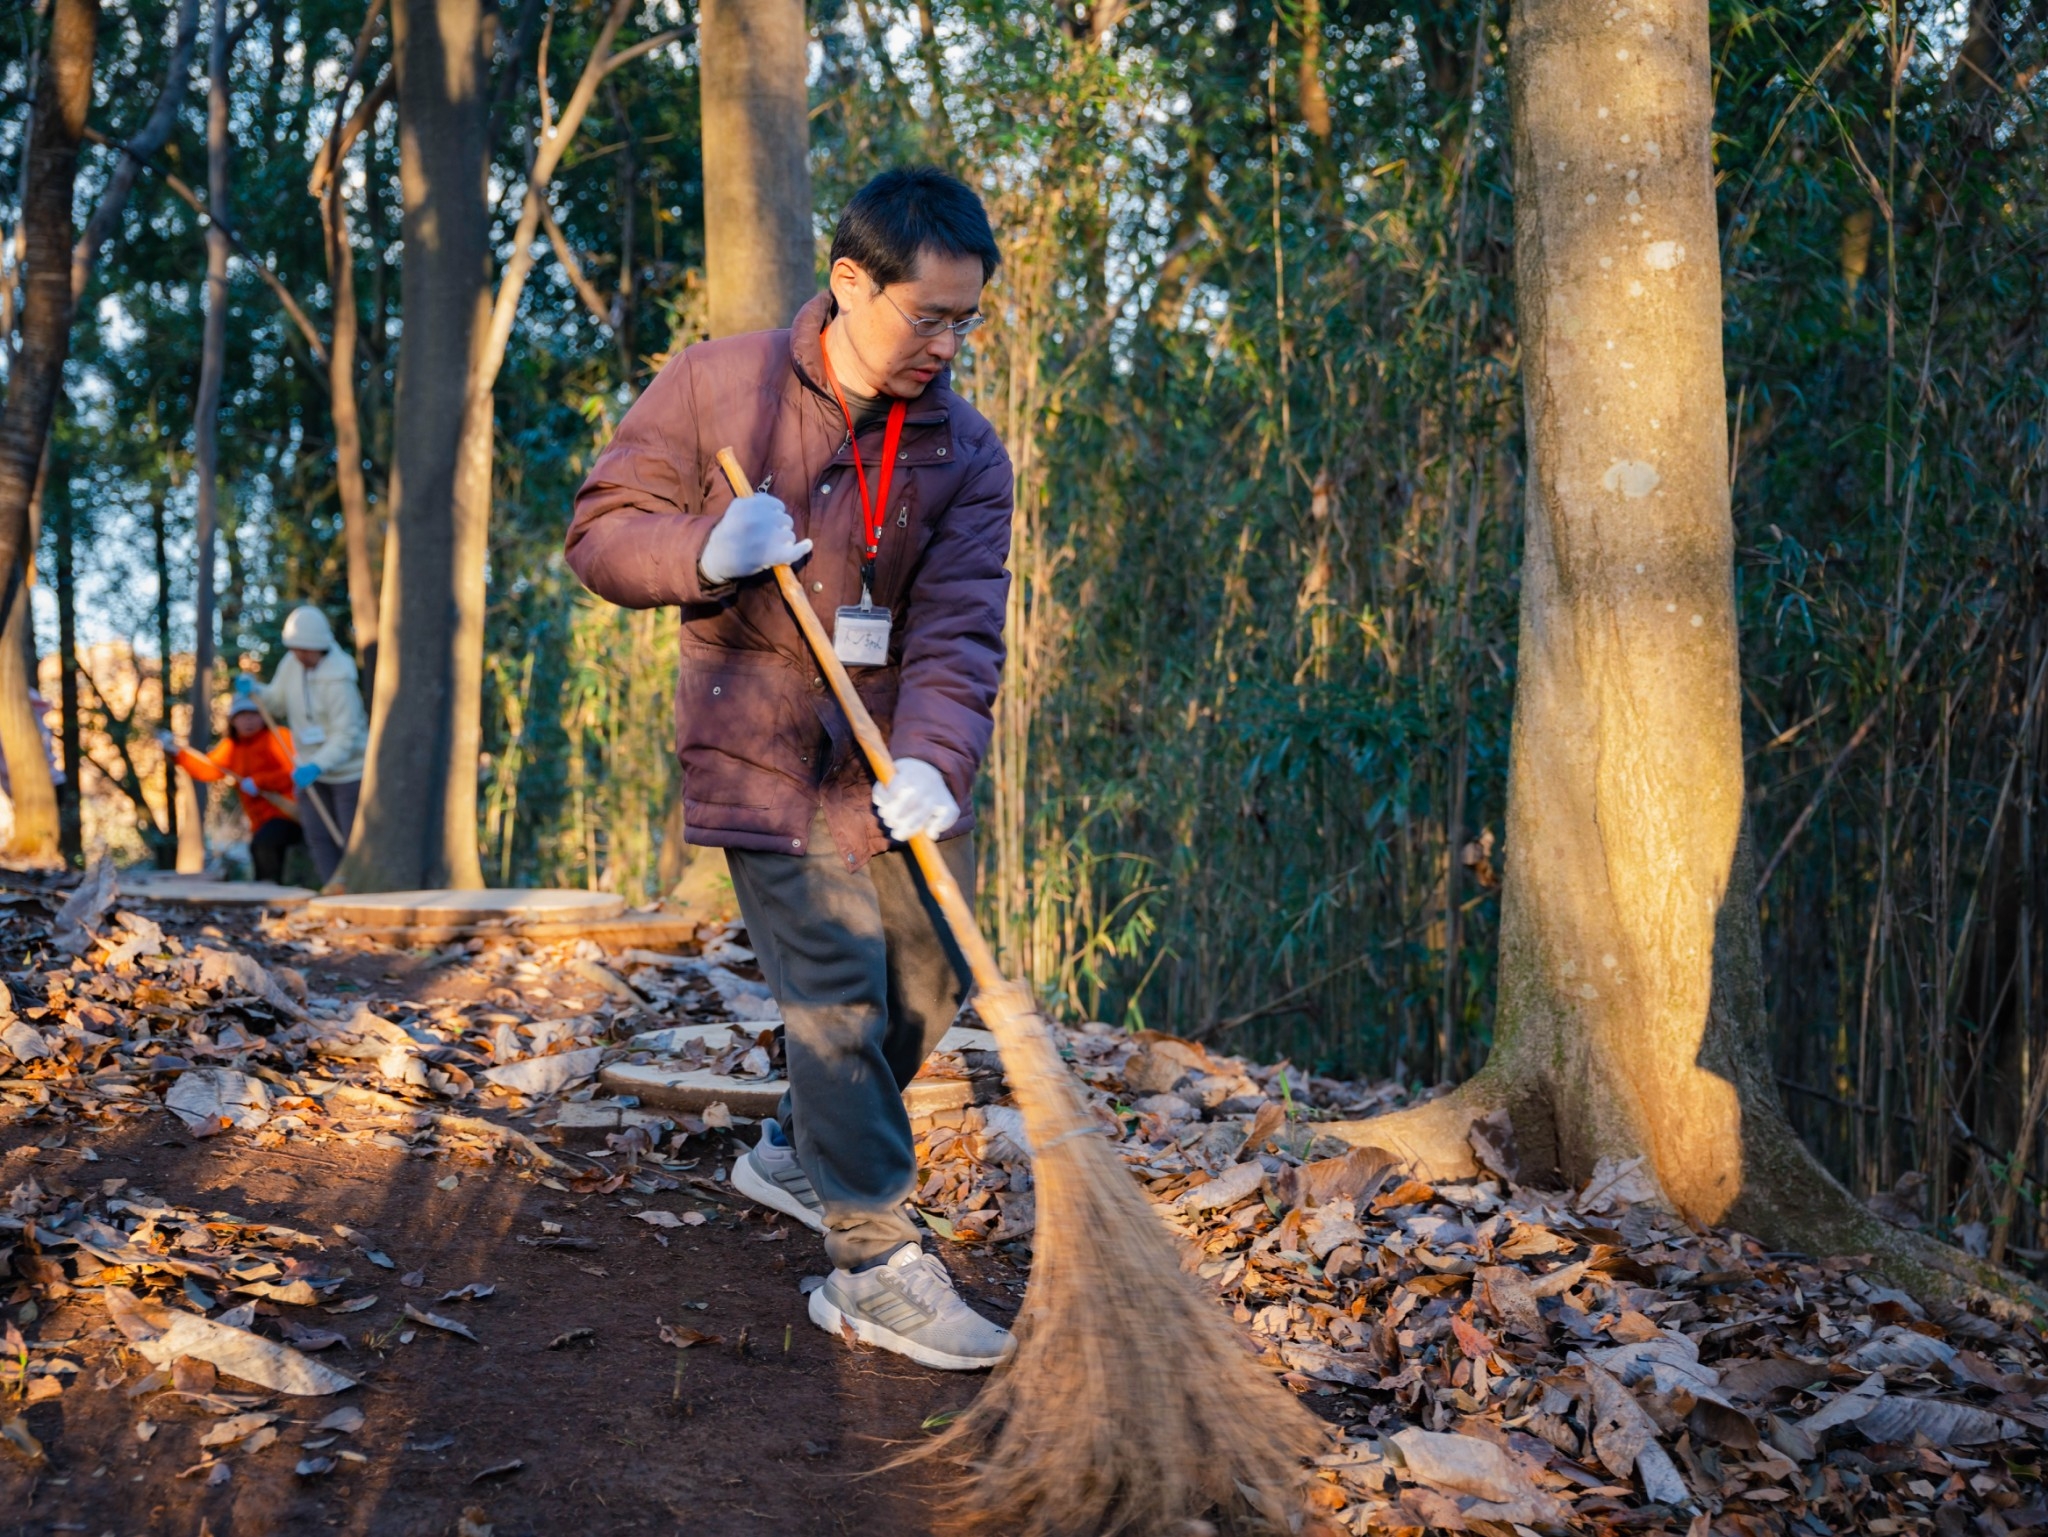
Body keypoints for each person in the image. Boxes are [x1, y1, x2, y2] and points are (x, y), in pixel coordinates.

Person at [566, 168, 1014, 1371]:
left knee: (926, 985)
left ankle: (792, 1155)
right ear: (850, 281)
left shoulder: (965, 451)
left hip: (886, 764)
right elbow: (600, 531)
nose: (945, 342)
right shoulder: (720, 383)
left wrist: (931, 758)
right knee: (835, 994)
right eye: (926, 314)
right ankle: (872, 1263)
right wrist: (701, 548)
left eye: (965, 319)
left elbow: (960, 628)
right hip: (759, 752)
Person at [250, 605, 367, 885]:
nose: (299, 655)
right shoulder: (292, 664)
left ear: (320, 646)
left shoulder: (340, 680)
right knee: (318, 836)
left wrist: (318, 764)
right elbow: (277, 701)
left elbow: (346, 735)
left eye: (305, 649)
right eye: (295, 648)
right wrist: (258, 692)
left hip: (347, 772)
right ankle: (331, 888)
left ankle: (357, 889)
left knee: (350, 838)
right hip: (307, 769)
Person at [158, 694, 302, 882]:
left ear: (263, 716)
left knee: (265, 843)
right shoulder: (232, 746)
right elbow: (210, 769)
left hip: (293, 813)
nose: (248, 720)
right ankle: (267, 894)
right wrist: (179, 754)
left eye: (253, 714)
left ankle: (270, 893)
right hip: (260, 820)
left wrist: (259, 781)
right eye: (242, 715)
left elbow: (293, 772)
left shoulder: (279, 737)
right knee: (260, 846)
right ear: (233, 720)